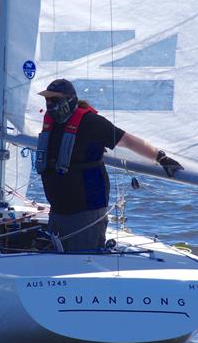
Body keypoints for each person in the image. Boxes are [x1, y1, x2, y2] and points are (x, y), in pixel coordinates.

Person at [36, 78, 183, 252]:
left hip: (85, 211)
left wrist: (161, 158)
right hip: (58, 211)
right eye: (48, 100)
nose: (50, 104)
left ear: (70, 99)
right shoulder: (53, 124)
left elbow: (128, 141)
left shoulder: (91, 123)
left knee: (83, 260)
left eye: (55, 100)